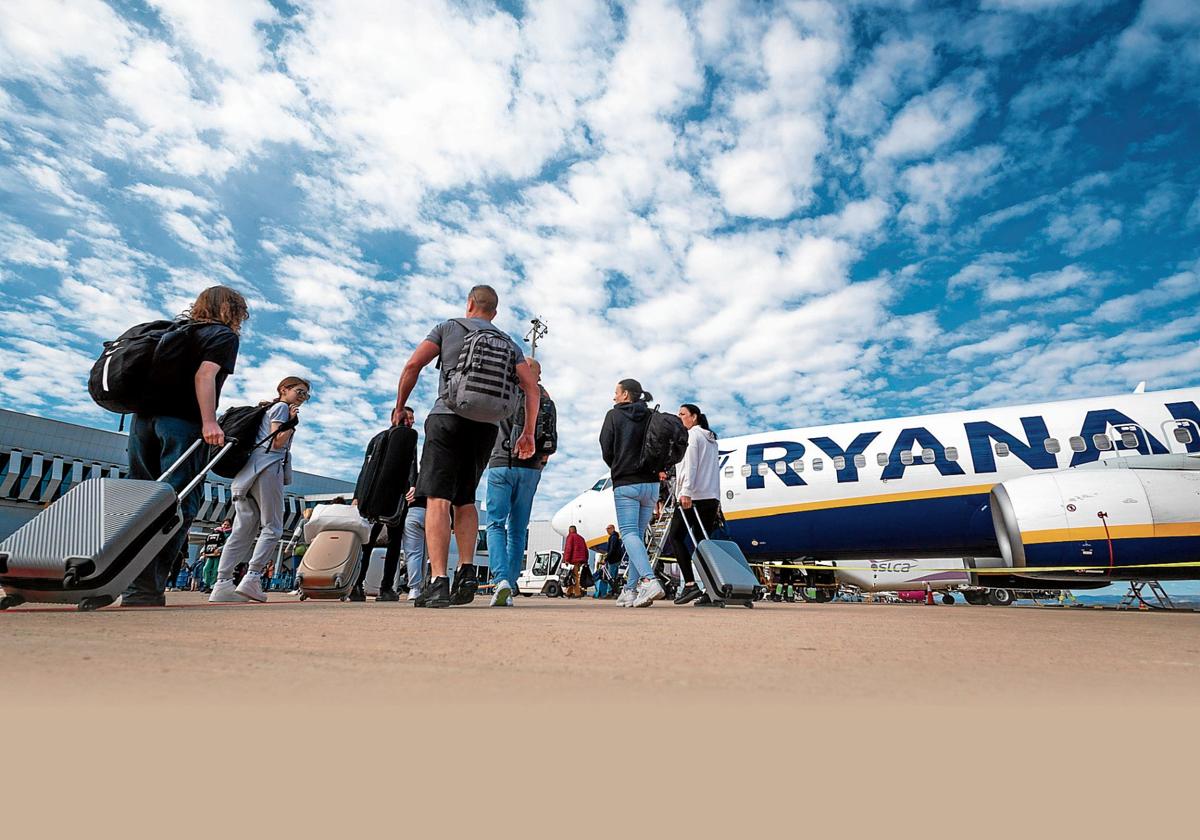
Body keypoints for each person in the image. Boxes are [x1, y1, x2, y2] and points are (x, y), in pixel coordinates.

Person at [391, 285, 540, 608]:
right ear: (495, 312)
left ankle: (439, 580)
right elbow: (531, 388)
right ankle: (467, 571)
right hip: (485, 427)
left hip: (448, 416)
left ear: (470, 303)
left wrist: (400, 405)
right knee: (466, 499)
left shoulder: (448, 328)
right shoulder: (510, 344)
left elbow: (412, 366)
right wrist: (527, 432)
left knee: (437, 498)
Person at [116, 286, 247, 608]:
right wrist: (209, 421)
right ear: (233, 310)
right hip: (182, 423)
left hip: (143, 422)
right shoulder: (221, 336)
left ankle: (122, 579)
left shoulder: (173, 332)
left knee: (142, 502)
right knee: (176, 505)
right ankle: (144, 589)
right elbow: (206, 376)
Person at [209, 376, 311, 603]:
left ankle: (222, 582)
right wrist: (292, 423)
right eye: (299, 392)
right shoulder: (282, 408)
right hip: (268, 467)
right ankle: (252, 577)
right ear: (284, 389)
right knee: (273, 527)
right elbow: (277, 442)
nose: (303, 398)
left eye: (306, 395)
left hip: (246, 472)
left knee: (242, 529)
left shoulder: (267, 409)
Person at [485, 359, 553, 607]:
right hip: (531, 469)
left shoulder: (504, 392)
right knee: (517, 530)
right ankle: (511, 586)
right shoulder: (545, 399)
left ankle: (501, 579)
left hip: (502, 462)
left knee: (495, 524)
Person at [599, 378, 665, 608]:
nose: (614, 397)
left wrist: (618, 466)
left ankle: (649, 580)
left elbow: (606, 447)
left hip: (627, 483)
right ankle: (629, 590)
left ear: (626, 395)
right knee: (636, 537)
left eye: (616, 392)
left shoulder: (614, 415)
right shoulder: (651, 415)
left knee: (628, 534)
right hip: (652, 485)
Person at [349, 406, 418, 603]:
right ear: (399, 418)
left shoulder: (377, 438)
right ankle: (386, 587)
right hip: (395, 497)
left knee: (367, 543)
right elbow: (411, 465)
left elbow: (366, 469)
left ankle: (356, 584)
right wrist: (412, 486)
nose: (412, 422)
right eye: (409, 418)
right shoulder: (407, 438)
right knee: (393, 543)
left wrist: (359, 495)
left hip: (372, 496)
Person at [666, 404, 723, 605]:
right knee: (702, 544)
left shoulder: (692, 436)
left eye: (682, 414)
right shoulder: (712, 440)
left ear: (694, 417)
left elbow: (691, 466)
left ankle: (690, 584)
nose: (678, 417)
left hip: (693, 497)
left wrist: (686, 492)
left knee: (675, 537)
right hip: (710, 497)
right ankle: (713, 590)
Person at [201, 519, 233, 592]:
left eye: (228, 525)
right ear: (222, 524)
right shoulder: (215, 532)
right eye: (224, 524)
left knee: (216, 570)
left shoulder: (230, 534)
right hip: (211, 554)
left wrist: (219, 549)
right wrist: (203, 551)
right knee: (206, 568)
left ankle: (212, 585)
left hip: (220, 554)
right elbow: (208, 542)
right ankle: (206, 583)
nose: (226, 526)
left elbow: (228, 544)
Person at [562, 525, 588, 598]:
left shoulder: (570, 537)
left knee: (574, 577)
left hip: (572, 560)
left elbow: (568, 549)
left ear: (570, 530)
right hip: (579, 561)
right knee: (572, 576)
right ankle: (568, 592)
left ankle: (577, 593)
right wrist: (585, 560)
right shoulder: (581, 538)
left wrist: (566, 560)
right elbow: (586, 550)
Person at [603, 524, 624, 599]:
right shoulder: (615, 537)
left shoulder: (613, 537)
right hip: (616, 559)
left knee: (610, 577)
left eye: (608, 529)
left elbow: (612, 549)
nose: (607, 530)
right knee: (614, 577)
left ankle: (610, 592)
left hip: (613, 560)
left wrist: (607, 558)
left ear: (612, 529)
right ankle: (615, 592)